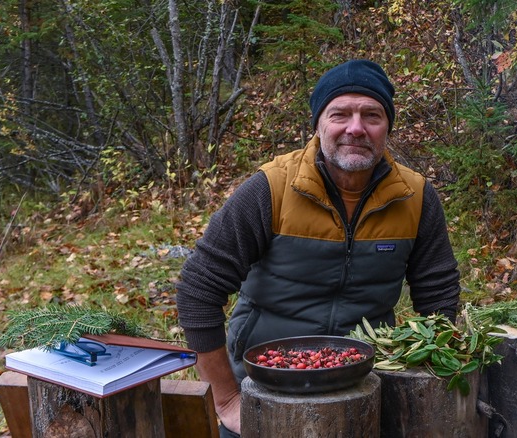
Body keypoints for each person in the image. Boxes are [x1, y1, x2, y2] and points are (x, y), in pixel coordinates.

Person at [176, 59, 460, 437]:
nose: (356, 128)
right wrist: (226, 400)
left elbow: (438, 291)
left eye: (371, 115)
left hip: (368, 387)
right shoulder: (270, 189)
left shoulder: (416, 197)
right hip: (264, 387)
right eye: (340, 114)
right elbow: (198, 287)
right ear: (318, 124)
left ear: (387, 126)